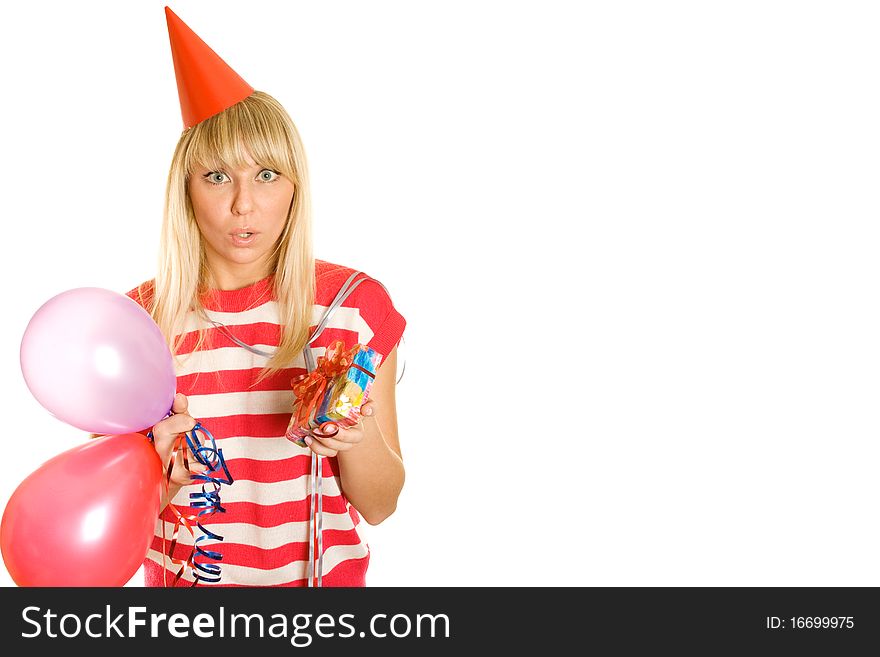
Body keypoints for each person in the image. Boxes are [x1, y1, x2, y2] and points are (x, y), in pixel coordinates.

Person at [123, 7, 406, 587]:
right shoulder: (138, 323)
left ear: (296, 186)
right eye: (218, 176)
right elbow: (116, 528)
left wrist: (354, 438)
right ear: (187, 189)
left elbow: (380, 505)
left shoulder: (352, 305)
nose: (244, 205)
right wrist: (161, 479)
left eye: (267, 176)